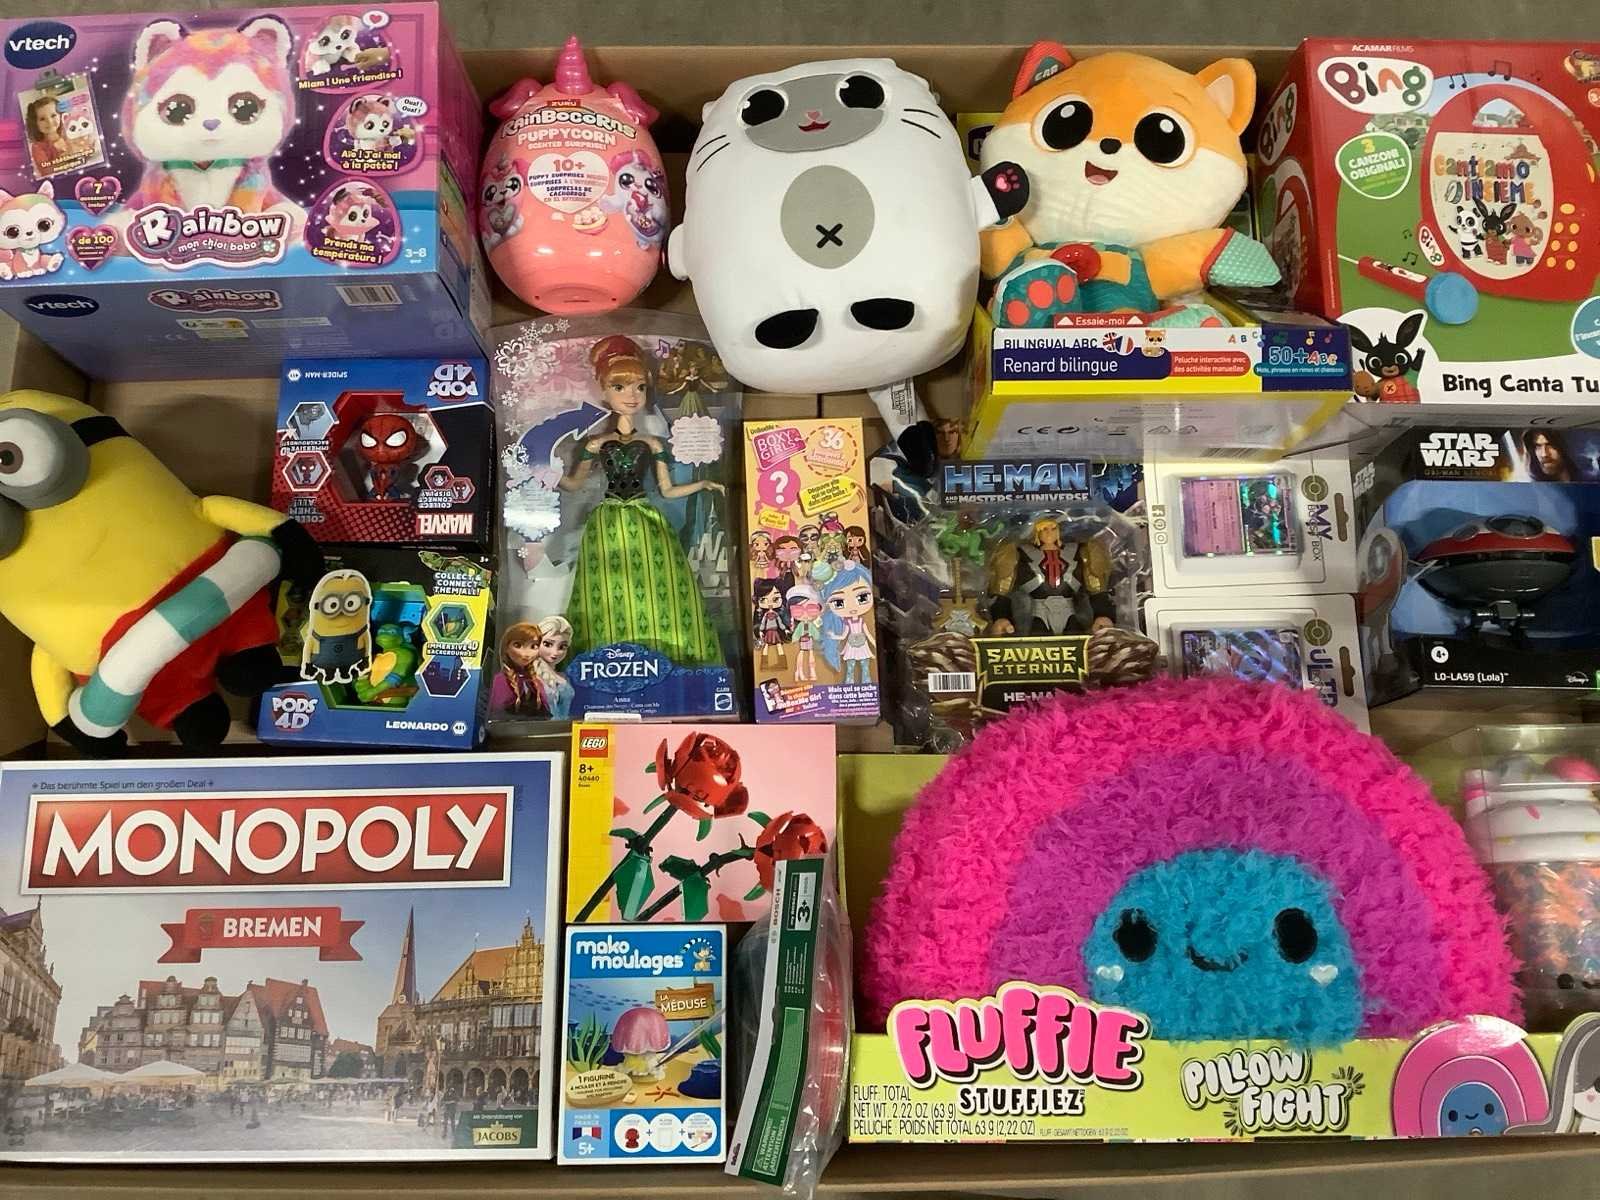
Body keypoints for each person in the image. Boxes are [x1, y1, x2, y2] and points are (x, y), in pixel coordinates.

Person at [557, 336, 726, 664]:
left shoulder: (652, 443)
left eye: (640, 387)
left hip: (645, 518)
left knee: (659, 582)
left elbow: (667, 491)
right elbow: (575, 483)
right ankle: (603, 656)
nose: (632, 396)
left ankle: (671, 654)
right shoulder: (595, 443)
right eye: (619, 387)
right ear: (603, 391)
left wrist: (703, 483)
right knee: (604, 586)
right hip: (607, 521)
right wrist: (546, 475)